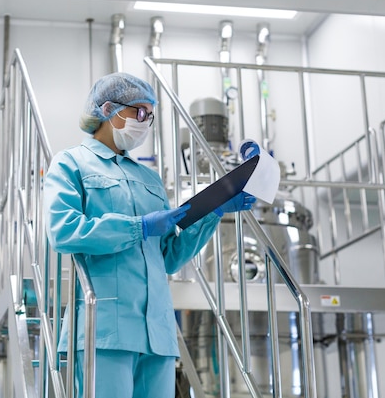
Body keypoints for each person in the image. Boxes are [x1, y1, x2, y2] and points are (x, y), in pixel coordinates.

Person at [43, 72, 256, 398]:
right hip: (105, 332)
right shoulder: (72, 164)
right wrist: (137, 226)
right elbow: (63, 230)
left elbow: (168, 257)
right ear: (108, 109)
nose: (144, 122)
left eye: (150, 115)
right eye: (138, 112)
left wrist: (214, 211)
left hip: (157, 335)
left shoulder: (150, 179)